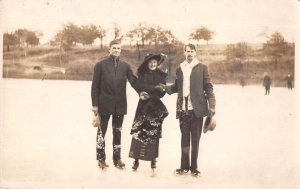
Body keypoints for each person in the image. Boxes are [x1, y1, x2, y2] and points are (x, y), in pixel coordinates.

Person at [158, 43, 216, 177]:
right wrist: (164, 87)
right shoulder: (180, 68)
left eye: (192, 51)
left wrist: (212, 106)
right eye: (187, 51)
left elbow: (208, 88)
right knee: (184, 140)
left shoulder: (202, 68)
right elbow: (176, 87)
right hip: (183, 110)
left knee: (195, 140)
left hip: (197, 110)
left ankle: (194, 168)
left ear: (195, 52)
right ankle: (184, 167)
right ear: (184, 52)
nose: (189, 53)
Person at [91, 39, 137, 169]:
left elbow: (133, 82)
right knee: (101, 133)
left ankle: (117, 160)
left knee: (117, 132)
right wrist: (95, 105)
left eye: (119, 48)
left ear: (121, 50)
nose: (117, 50)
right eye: (114, 48)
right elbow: (94, 87)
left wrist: (143, 90)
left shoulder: (125, 66)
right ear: (109, 49)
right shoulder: (100, 65)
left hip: (120, 105)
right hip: (104, 104)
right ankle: (101, 159)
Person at [129, 53, 168, 171]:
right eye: (150, 62)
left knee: (154, 132)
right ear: (147, 63)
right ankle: (136, 160)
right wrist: (154, 88)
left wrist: (160, 89)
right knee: (139, 131)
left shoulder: (162, 75)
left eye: (155, 62)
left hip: (155, 106)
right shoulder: (141, 73)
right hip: (143, 105)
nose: (152, 64)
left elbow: (162, 92)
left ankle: (153, 160)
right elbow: (140, 86)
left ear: (157, 64)